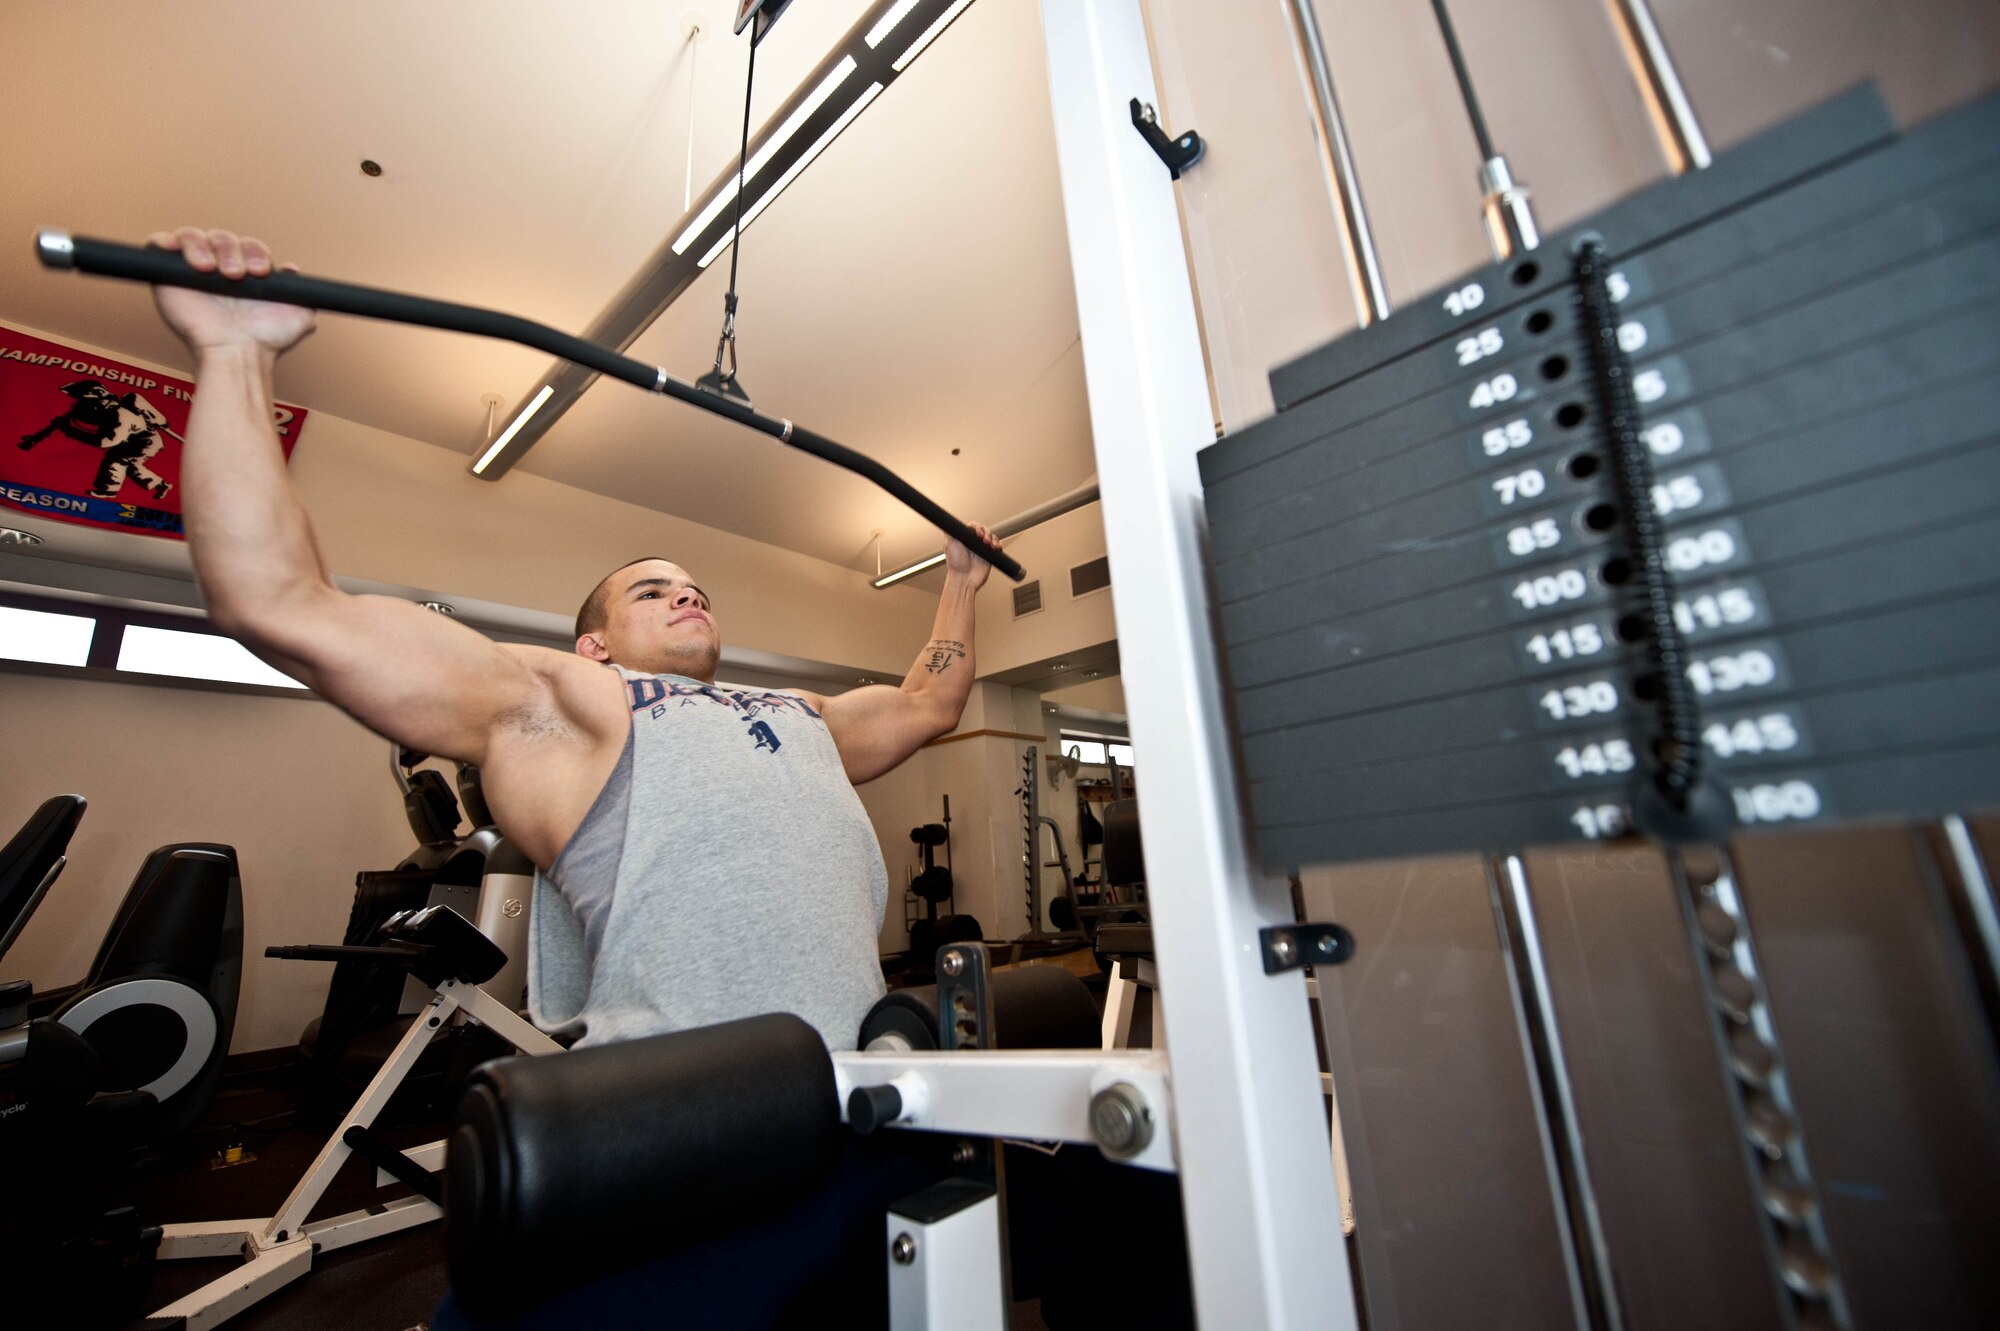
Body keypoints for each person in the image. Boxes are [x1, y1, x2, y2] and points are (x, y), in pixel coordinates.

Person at [146, 226, 1002, 1057]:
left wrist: (959, 581)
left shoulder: (799, 712)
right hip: (687, 1107)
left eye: (692, 586)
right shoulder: (565, 701)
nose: (686, 592)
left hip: (862, 1080)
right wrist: (235, 355)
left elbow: (931, 701)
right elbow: (280, 601)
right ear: (594, 644)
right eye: (651, 590)